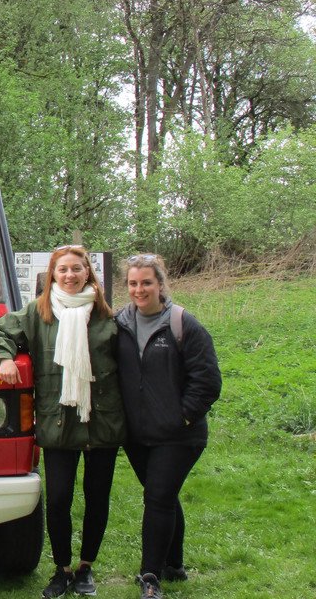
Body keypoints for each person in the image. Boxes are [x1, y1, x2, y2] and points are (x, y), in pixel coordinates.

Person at [0, 245, 125, 599]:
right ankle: (61, 569)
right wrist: (4, 359)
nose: (70, 276)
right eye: (63, 270)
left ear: (88, 273)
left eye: (77, 269)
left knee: (97, 499)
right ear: (52, 275)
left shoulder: (107, 317)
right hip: (58, 422)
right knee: (59, 500)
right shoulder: (38, 313)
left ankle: (86, 567)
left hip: (99, 423)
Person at [116, 254, 221, 599]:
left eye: (146, 282)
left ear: (160, 284)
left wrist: (183, 417)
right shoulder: (120, 324)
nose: (139, 289)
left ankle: (151, 576)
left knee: (157, 498)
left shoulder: (182, 324)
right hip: (137, 435)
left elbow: (207, 380)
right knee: (164, 495)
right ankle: (174, 565)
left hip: (179, 435)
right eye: (133, 283)